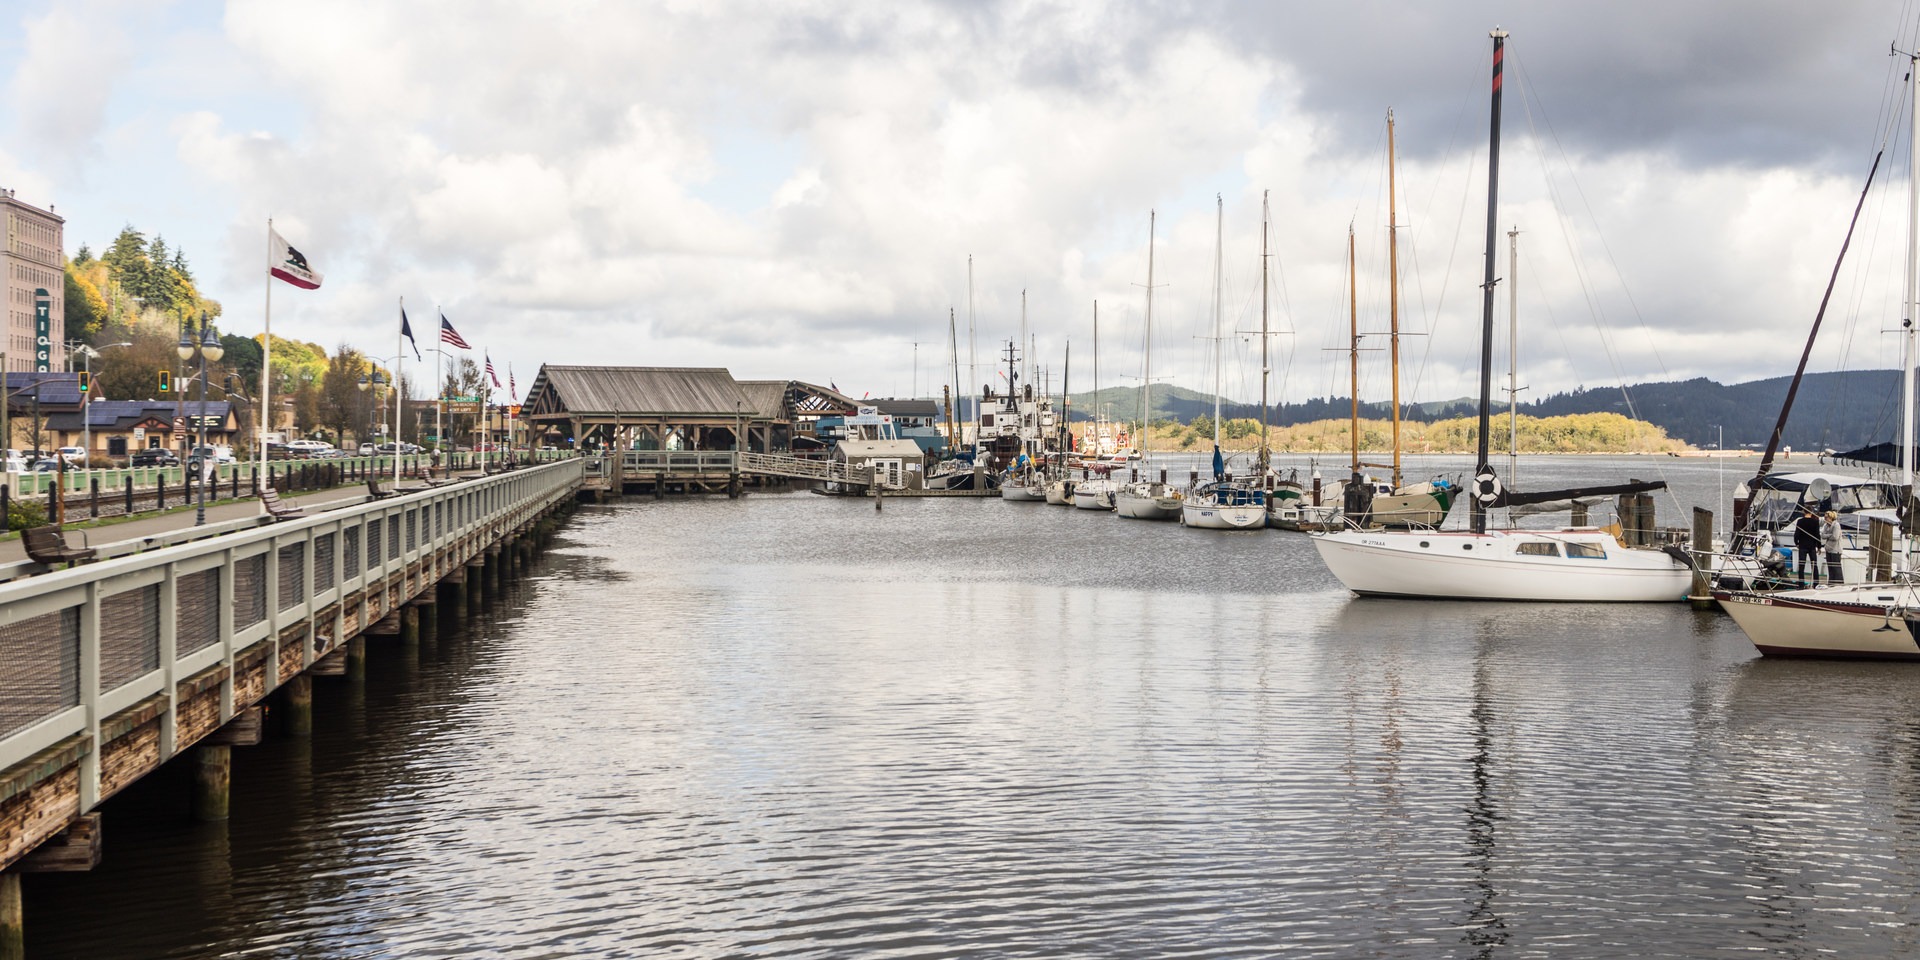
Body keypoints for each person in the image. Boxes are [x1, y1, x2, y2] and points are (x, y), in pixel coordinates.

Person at [1793, 505, 1823, 583]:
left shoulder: (1800, 521)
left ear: (1804, 511)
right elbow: (1817, 535)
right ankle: (1816, 583)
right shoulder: (1815, 522)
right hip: (1812, 545)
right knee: (1814, 565)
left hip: (1802, 545)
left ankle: (1801, 584)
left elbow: (1797, 534)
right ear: (1811, 512)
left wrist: (1796, 543)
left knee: (1802, 565)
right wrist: (1819, 546)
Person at [1822, 509, 1845, 585]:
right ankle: (1831, 583)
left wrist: (1827, 536)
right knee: (1830, 567)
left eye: (1826, 517)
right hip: (1828, 549)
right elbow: (1822, 535)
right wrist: (1829, 535)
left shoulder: (1836, 525)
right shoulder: (1825, 525)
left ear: (1831, 518)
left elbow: (1835, 537)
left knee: (1836, 567)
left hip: (1836, 549)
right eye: (1825, 517)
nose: (1825, 519)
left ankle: (1839, 583)